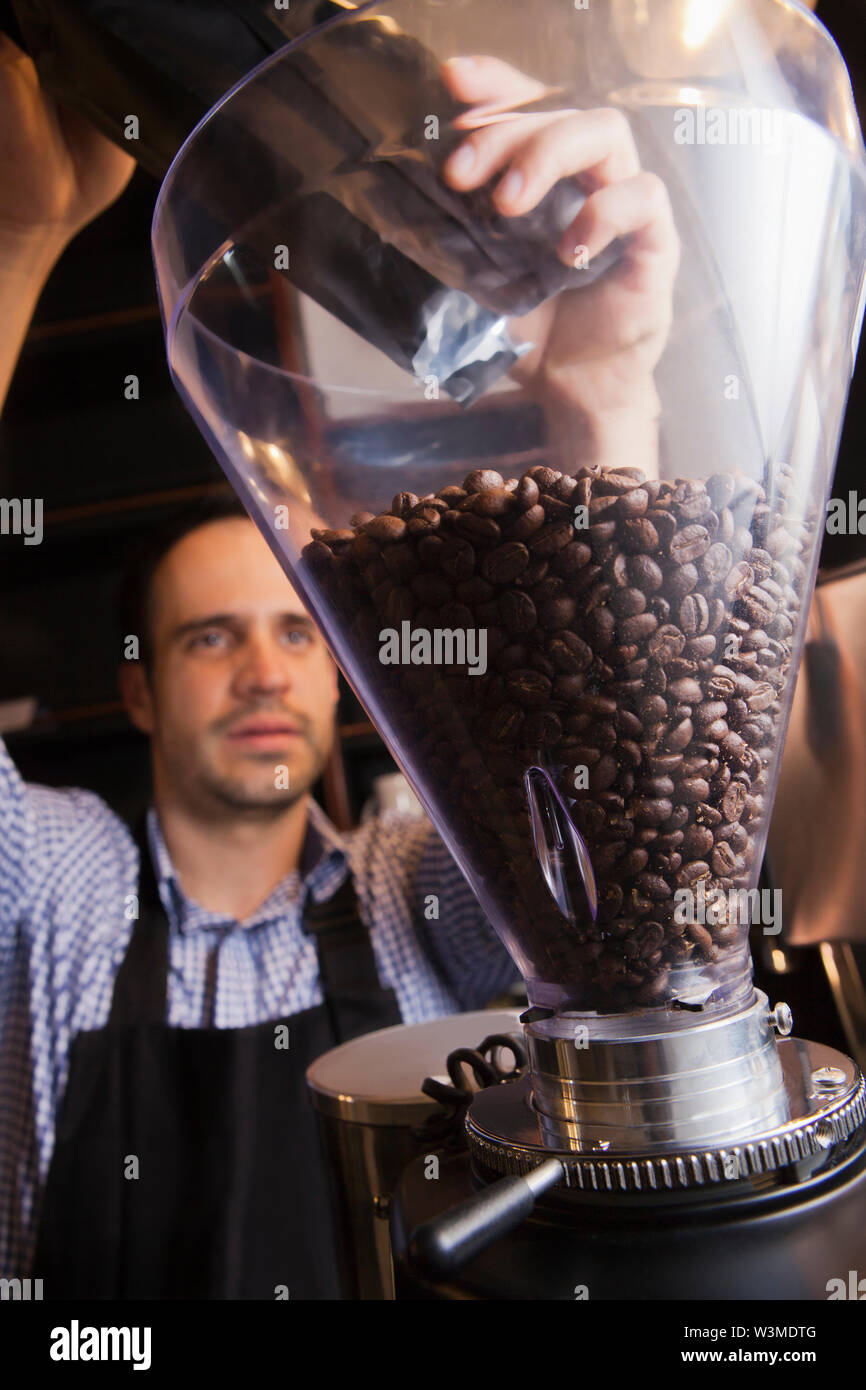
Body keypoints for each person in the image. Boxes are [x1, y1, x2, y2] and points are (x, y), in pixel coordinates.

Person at [0, 34, 678, 1298]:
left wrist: (596, 400)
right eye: (211, 637)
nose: (263, 669)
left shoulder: (414, 886)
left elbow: (622, 879)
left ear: (343, 678)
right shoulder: (52, 885)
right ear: (140, 691)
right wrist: (14, 244)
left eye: (297, 630)